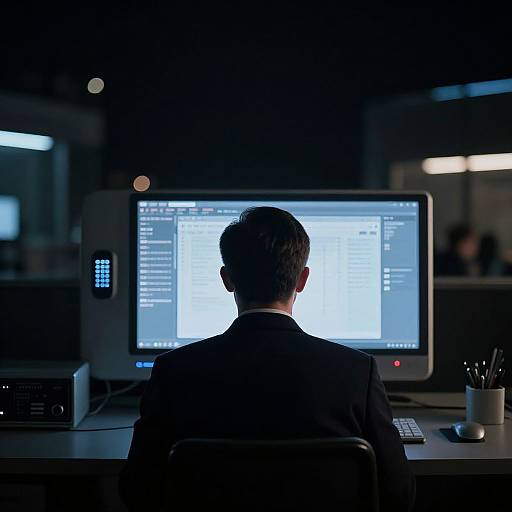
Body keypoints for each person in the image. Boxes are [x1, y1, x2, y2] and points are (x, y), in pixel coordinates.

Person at [120, 207, 415, 511]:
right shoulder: (356, 372)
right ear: (302, 280)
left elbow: (138, 488)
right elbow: (398, 491)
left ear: (227, 278)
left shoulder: (174, 371)